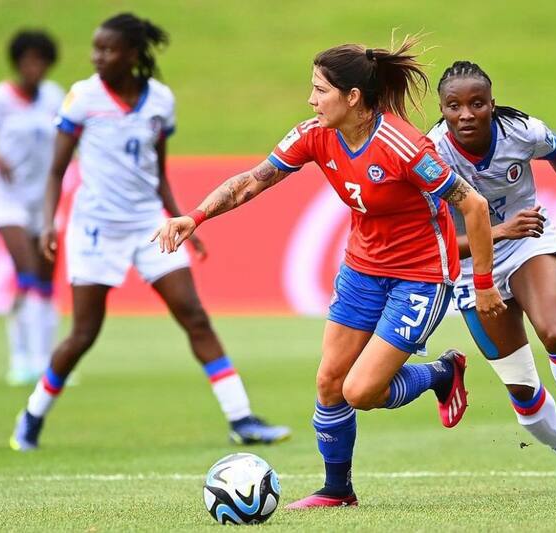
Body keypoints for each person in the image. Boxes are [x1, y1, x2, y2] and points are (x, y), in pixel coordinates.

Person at [154, 39, 505, 509]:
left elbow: (473, 205)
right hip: (362, 269)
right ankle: (338, 490)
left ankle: (441, 373)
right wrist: (194, 217)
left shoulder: (403, 146)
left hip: (421, 275)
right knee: (329, 383)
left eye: (320, 90)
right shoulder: (314, 134)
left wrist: (482, 283)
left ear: (353, 97)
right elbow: (252, 181)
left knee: (360, 391)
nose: (311, 100)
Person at [10, 13, 290, 451]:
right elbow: (56, 170)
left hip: (149, 225)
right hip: (97, 228)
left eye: (108, 49)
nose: (97, 56)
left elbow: (157, 173)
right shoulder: (82, 97)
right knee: (84, 334)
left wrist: (184, 219)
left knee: (194, 315)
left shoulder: (160, 100)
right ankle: (31, 417)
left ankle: (242, 419)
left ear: (133, 54)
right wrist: (50, 222)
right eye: (96, 48)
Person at [427, 60, 556, 493]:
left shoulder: (522, 132)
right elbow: (433, 246)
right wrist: (498, 231)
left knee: (555, 333)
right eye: (454, 106)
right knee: (522, 388)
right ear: (442, 110)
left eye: (477, 104)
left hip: (527, 244)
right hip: (471, 267)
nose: (466, 114)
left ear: (492, 104)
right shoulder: (431, 157)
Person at [0, 30, 63, 385]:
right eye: (28, 60)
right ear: (17, 63)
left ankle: (47, 362)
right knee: (26, 274)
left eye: (40, 61)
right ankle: (21, 359)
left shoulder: (54, 97)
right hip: (9, 200)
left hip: (44, 202)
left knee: (46, 282)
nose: (34, 67)